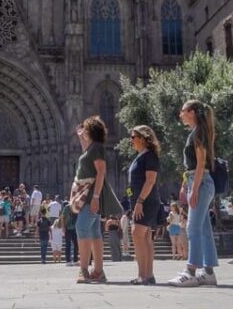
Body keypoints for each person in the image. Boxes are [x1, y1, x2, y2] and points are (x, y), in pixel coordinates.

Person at [168, 100, 219, 287]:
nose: (180, 114)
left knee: (192, 228)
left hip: (201, 182)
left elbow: (201, 162)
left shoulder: (199, 133)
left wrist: (194, 188)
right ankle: (208, 272)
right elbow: (192, 165)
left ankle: (191, 271)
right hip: (197, 181)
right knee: (203, 229)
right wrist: (186, 184)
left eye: (182, 111)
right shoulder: (196, 132)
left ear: (191, 112)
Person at [70, 115, 122, 284]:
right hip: (89, 194)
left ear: (91, 130)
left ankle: (84, 270)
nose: (83, 130)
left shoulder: (97, 148)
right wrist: (80, 137)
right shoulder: (92, 148)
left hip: (91, 194)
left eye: (85, 128)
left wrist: (96, 197)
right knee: (94, 232)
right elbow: (86, 153)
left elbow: (101, 172)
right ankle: (98, 271)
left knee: (81, 227)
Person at [127, 125, 161, 285]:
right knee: (145, 237)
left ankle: (143, 275)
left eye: (133, 137)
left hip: (145, 200)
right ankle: (148, 275)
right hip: (140, 200)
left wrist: (140, 201)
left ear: (142, 138)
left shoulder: (150, 156)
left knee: (137, 234)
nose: (131, 141)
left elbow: (150, 181)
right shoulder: (141, 156)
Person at [62, 201, 79, 266]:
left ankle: (75, 260)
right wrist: (63, 227)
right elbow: (62, 217)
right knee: (68, 244)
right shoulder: (67, 207)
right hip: (68, 228)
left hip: (75, 228)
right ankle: (68, 261)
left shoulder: (77, 207)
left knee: (76, 244)